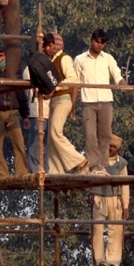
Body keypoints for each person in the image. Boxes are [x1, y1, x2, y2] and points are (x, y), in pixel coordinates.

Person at [73, 29, 125, 174]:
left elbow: (117, 75)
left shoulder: (108, 58)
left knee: (106, 135)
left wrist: (123, 85)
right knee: (90, 136)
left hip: (106, 100)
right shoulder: (80, 59)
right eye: (97, 42)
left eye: (102, 43)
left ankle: (102, 166)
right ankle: (94, 166)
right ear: (91, 40)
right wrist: (72, 105)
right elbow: (75, 82)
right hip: (88, 102)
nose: (99, 45)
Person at [44, 33, 88, 174]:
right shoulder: (51, 61)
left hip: (63, 99)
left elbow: (72, 79)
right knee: (50, 140)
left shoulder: (64, 58)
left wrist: (54, 88)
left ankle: (80, 161)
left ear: (55, 45)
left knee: (55, 132)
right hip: (54, 101)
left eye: (49, 45)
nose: (47, 49)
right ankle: (56, 172)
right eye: (45, 46)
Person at [0, 48, 30, 178]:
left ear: (6, 57)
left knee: (19, 143)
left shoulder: (13, 74)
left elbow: (21, 96)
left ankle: (22, 172)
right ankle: (1, 174)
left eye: (1, 56)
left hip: (12, 112)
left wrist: (25, 116)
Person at [89, 135, 129, 266]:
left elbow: (125, 185)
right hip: (98, 198)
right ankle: (99, 261)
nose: (111, 149)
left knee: (116, 231)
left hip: (115, 199)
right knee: (97, 231)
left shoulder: (121, 163)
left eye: (114, 147)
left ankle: (113, 262)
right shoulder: (97, 160)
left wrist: (125, 205)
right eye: (109, 146)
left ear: (117, 148)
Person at [22, 64, 50, 173]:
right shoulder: (29, 69)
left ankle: (45, 171)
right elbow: (28, 90)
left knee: (46, 146)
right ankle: (36, 172)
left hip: (49, 111)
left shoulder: (49, 66)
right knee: (35, 145)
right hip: (35, 111)